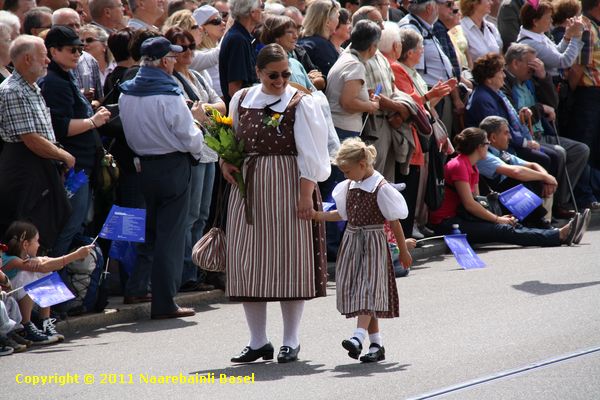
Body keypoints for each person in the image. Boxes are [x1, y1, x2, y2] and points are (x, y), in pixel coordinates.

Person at [222, 43, 330, 364]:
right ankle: (258, 341)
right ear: (258, 72)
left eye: (285, 74)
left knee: (289, 261)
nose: (281, 80)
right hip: (249, 189)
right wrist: (225, 162)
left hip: (289, 184)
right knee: (249, 263)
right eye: (273, 75)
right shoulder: (241, 99)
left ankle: (291, 340)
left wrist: (305, 194)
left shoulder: (301, 102)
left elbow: (312, 153)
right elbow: (232, 142)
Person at [119, 36, 206, 319]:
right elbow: (189, 138)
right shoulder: (170, 93)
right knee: (170, 236)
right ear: (164, 61)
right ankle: (165, 302)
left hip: (143, 166)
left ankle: (137, 287)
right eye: (171, 57)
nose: (174, 61)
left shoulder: (127, 92)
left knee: (151, 232)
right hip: (172, 166)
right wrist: (197, 123)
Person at [310, 137, 414, 363]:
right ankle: (376, 344)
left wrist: (403, 249)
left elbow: (394, 220)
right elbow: (343, 214)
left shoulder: (381, 188)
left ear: (363, 165)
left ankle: (357, 337)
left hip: (374, 242)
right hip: (352, 241)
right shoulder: (349, 186)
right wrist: (319, 216)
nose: (345, 176)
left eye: (347, 171)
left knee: (368, 290)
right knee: (361, 291)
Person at [428, 127, 587, 246]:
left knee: (510, 223)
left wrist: (501, 218)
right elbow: (469, 204)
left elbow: (477, 200)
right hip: (447, 222)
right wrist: (497, 219)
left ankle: (556, 233)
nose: (488, 146)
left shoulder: (472, 165)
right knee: (502, 230)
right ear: (478, 146)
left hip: (462, 216)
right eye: (487, 143)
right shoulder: (458, 165)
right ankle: (559, 236)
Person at [39, 26, 111, 258]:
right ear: (53, 51)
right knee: (69, 226)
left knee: (80, 224)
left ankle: (73, 285)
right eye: (72, 49)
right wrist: (93, 120)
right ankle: (55, 281)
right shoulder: (53, 82)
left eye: (80, 49)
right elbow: (60, 127)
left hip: (83, 164)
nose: (78, 54)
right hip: (71, 168)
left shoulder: (65, 76)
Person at [0, 35, 74, 251]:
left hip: (39, 167)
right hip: (24, 170)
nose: (48, 61)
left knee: (44, 229)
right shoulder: (13, 90)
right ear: (26, 59)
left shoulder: (31, 87)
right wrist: (63, 156)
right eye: (43, 56)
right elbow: (31, 139)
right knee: (26, 233)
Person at [165, 26, 224, 292]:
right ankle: (186, 273)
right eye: (181, 48)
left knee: (202, 214)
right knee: (190, 215)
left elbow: (219, 104)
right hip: (193, 152)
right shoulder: (172, 79)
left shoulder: (198, 75)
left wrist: (205, 110)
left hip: (210, 149)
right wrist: (206, 110)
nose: (188, 52)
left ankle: (197, 269)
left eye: (191, 46)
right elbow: (189, 111)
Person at [502, 43, 589, 218]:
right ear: (515, 63)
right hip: (528, 137)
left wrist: (543, 77)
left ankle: (560, 200)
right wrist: (540, 109)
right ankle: (550, 205)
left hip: (543, 132)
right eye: (530, 63)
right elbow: (517, 118)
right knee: (559, 153)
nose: (534, 67)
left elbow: (553, 103)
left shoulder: (531, 80)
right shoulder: (506, 83)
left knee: (581, 150)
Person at [1, 221, 93, 344]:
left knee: (46, 273)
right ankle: (26, 325)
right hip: (7, 301)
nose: (39, 245)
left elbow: (49, 264)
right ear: (26, 244)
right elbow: (43, 266)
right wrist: (76, 255)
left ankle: (45, 321)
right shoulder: (10, 259)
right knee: (28, 274)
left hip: (14, 300)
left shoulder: (27, 259)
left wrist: (70, 257)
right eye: (37, 241)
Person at [516, 0, 584, 78]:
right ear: (535, 22)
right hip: (547, 86)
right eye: (548, 18)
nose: (551, 21)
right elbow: (563, 62)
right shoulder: (531, 44)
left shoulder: (538, 34)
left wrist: (567, 36)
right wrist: (576, 37)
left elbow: (557, 52)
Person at [218, 0, 263, 104]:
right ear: (252, 12)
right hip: (243, 114)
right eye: (261, 7)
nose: (263, 11)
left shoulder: (242, 37)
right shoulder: (238, 40)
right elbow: (234, 90)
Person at [260, 14, 315, 91]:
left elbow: (312, 91)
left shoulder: (296, 63)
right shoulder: (263, 63)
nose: (296, 36)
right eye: (290, 32)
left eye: (296, 32)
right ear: (276, 36)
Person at [298, 0, 340, 79]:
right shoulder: (323, 46)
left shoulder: (299, 41)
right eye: (338, 17)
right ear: (327, 22)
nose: (339, 21)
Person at [191, 5, 226, 96]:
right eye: (216, 21)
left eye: (222, 19)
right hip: (213, 104)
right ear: (202, 27)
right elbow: (217, 54)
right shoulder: (196, 53)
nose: (223, 23)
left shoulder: (217, 46)